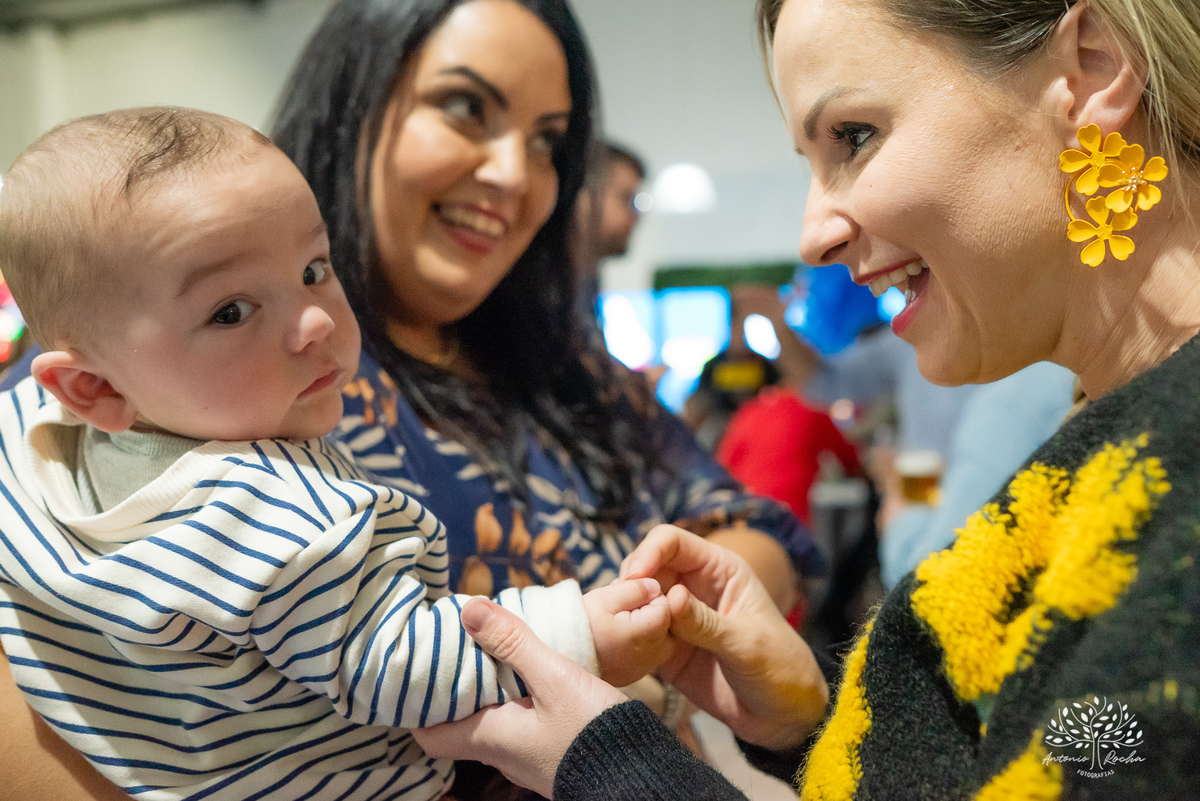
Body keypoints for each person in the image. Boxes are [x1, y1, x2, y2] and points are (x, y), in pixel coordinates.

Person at [0, 0, 819, 795]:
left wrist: (670, 634)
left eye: (547, 143)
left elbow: (747, 525)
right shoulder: (150, 392)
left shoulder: (568, 364)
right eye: (466, 108)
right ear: (356, 100)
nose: (513, 174)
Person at [412, 0, 1200, 797]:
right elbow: (1041, 749)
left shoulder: (1178, 469)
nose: (814, 232)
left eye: (855, 137)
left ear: (1091, 68)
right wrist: (812, 724)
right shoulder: (1117, 432)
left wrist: (617, 768)